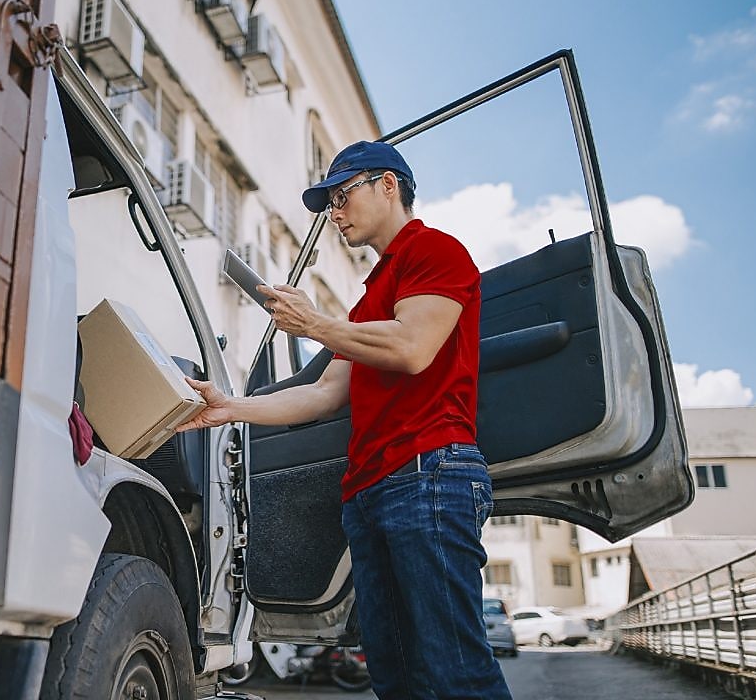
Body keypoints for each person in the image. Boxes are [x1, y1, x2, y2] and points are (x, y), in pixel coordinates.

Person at [178, 141, 512, 699]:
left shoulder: (435, 251)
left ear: (388, 185)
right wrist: (231, 408)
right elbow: (324, 393)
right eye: (328, 202)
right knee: (397, 675)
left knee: (455, 671)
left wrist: (314, 325)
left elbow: (413, 347)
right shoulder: (364, 303)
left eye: (342, 194)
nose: (334, 212)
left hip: (428, 474)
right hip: (370, 493)